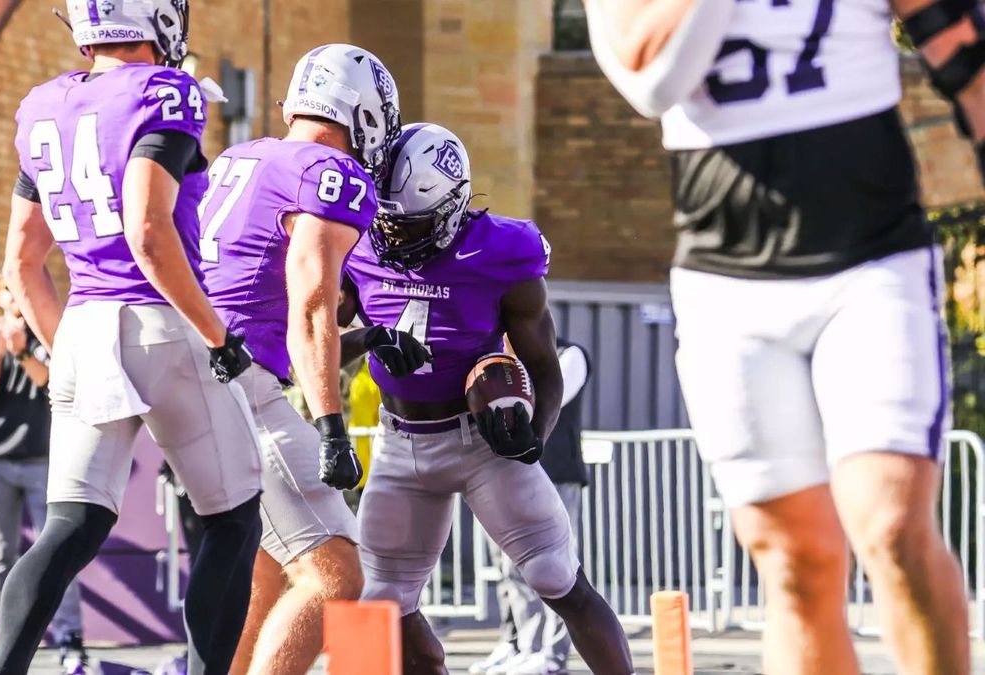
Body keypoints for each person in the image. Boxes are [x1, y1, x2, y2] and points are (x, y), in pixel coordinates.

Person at [586, 0, 973, 672]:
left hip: (871, 258)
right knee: (795, 562)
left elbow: (964, 56)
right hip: (726, 280)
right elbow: (643, 72)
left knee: (890, 523)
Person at [0, 1, 264, 673]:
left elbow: (21, 265)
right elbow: (149, 230)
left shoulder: (44, 105)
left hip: (83, 321)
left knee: (72, 523)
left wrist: (67, 353)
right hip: (162, 320)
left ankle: (2, 670)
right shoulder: (164, 90)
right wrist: (219, 336)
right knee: (233, 518)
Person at [340, 123, 634, 675]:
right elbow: (308, 343)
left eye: (410, 224)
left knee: (556, 576)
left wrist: (534, 438)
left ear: (451, 207)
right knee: (383, 603)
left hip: (480, 443)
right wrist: (366, 338)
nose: (393, 238)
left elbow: (545, 364)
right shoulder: (355, 241)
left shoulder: (502, 250)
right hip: (399, 444)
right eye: (386, 224)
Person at [197, 43, 401, 675]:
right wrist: (331, 427)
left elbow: (267, 285)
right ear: (363, 114)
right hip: (236, 382)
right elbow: (311, 304)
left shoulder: (240, 156)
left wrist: (363, 337)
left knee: (265, 569)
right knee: (337, 571)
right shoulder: (330, 172)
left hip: (191, 365)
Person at [0, 281, 87, 669]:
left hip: (42, 462)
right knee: (1, 554)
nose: (15, 295)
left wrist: (22, 349)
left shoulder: (48, 334)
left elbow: (48, 380)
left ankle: (69, 636)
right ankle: (8, 636)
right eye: (8, 289)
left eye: (20, 287)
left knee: (58, 552)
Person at [472, 339, 591, 675]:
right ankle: (523, 644)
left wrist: (497, 383)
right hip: (507, 474)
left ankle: (552, 654)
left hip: (556, 474)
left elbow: (539, 400)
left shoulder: (571, 355)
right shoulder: (500, 359)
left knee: (557, 567)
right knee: (509, 567)